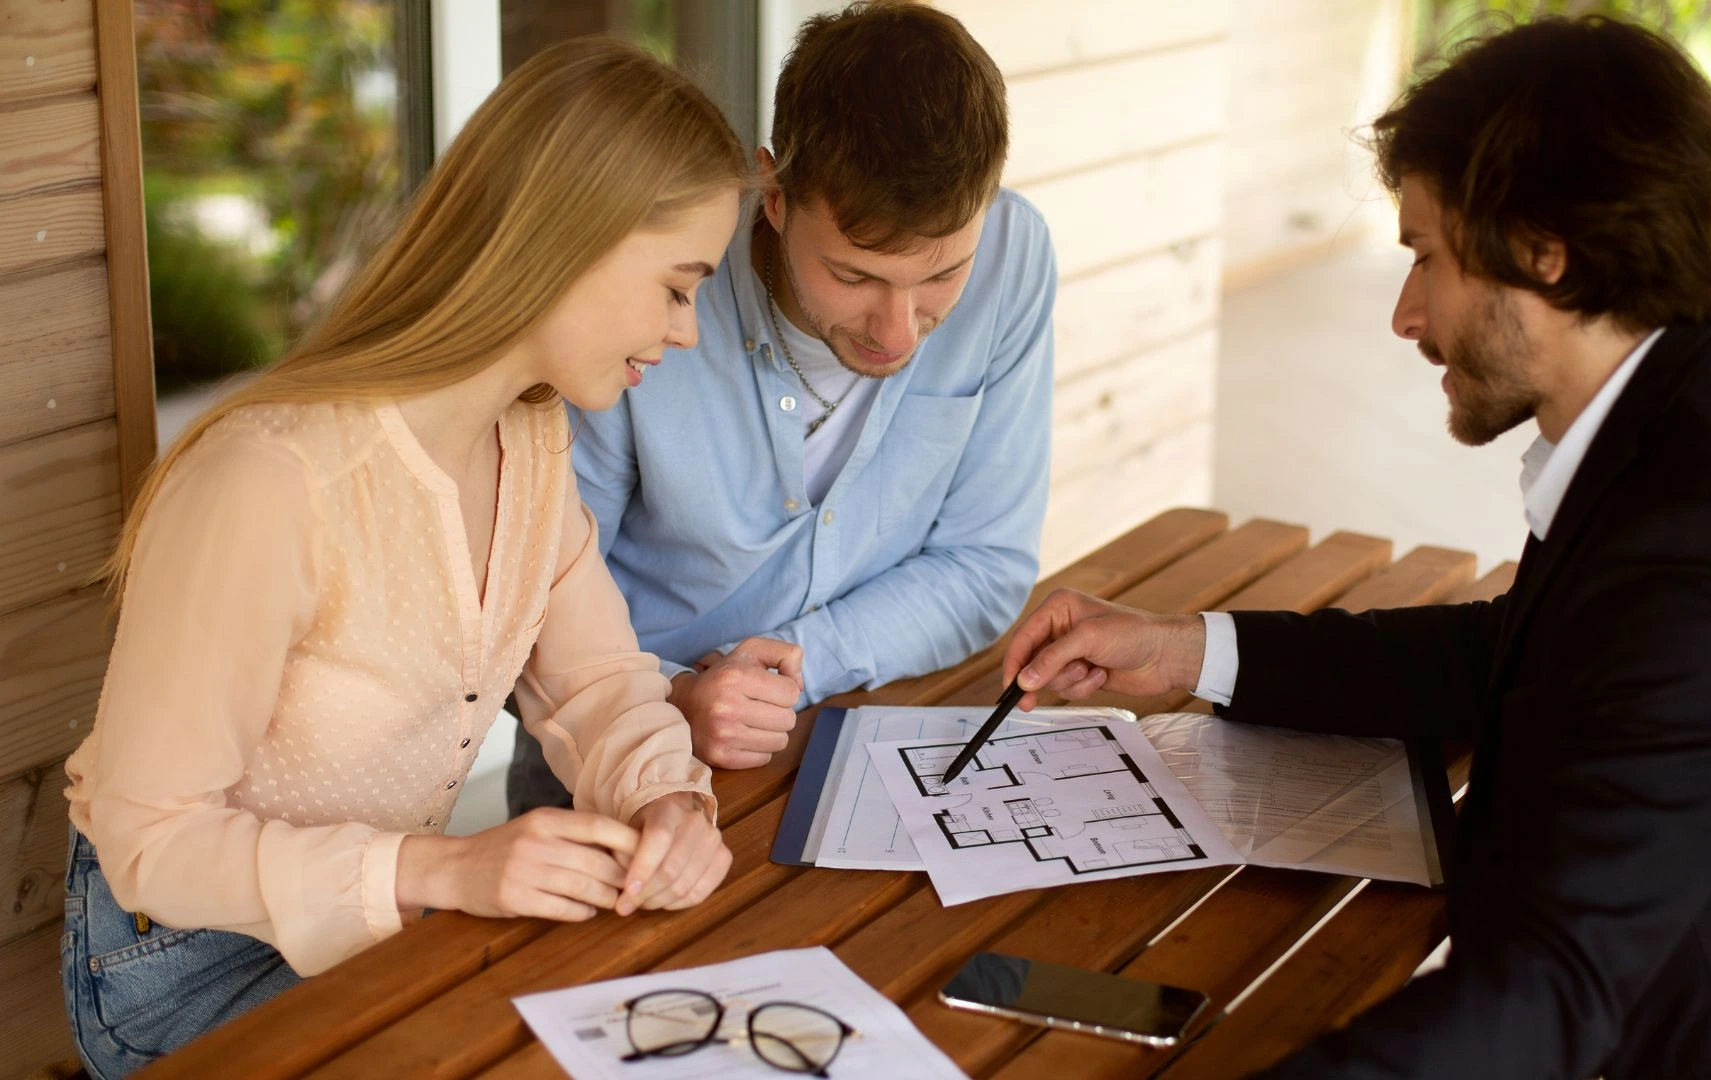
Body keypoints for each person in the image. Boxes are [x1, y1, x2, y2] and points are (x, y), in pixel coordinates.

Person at [1000, 16, 1711, 1079]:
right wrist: (1183, 653)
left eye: (1426, 257)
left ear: (1544, 251)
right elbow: (1511, 659)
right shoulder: (1686, 422)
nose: (1404, 314)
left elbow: (1548, 994)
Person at [60, 40, 747, 1078]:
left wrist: (664, 801)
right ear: (570, 240)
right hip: (182, 967)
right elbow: (149, 839)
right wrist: (447, 870)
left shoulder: (532, 436)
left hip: (390, 915)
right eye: (678, 286)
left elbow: (597, 681)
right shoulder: (273, 480)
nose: (690, 331)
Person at [504, 1, 1056, 808]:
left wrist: (789, 667)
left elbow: (986, 568)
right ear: (773, 194)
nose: (899, 333)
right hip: (619, 762)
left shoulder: (1015, 252)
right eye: (857, 276)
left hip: (874, 744)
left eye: (941, 277)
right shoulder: (648, 296)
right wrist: (676, 699)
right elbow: (531, 604)